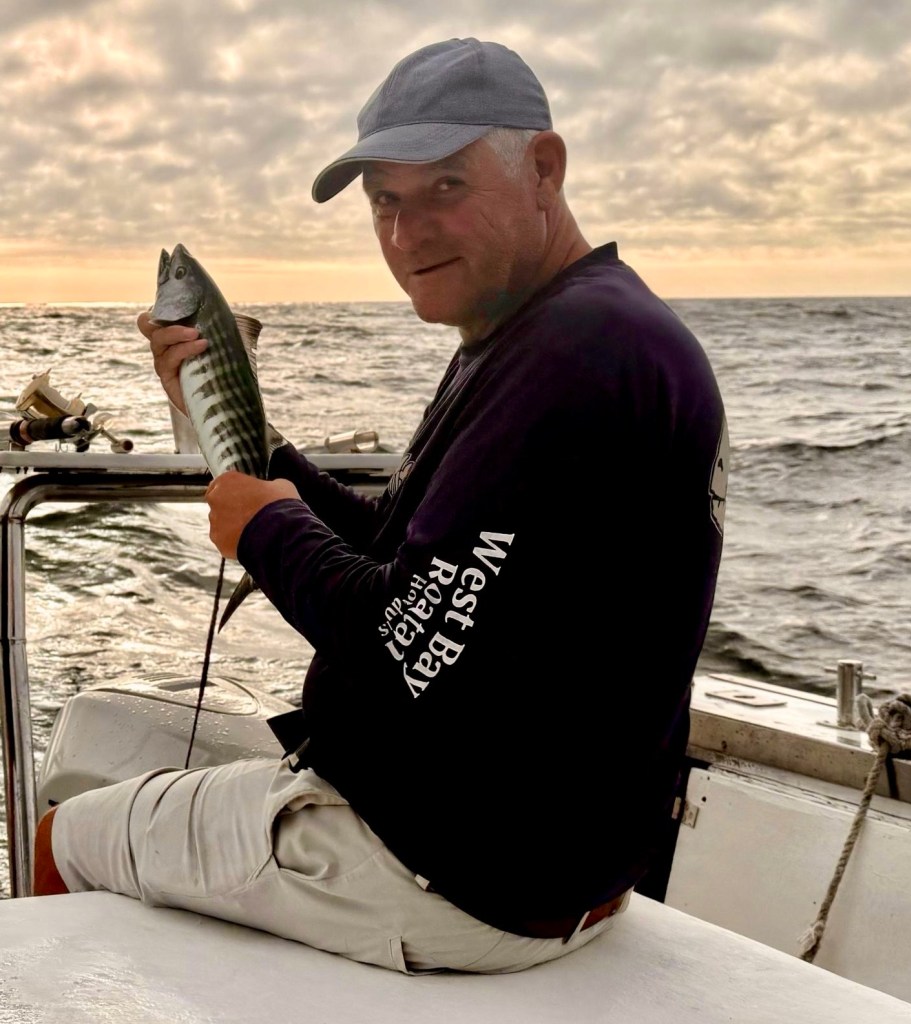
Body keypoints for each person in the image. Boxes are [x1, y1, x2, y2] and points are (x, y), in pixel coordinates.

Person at [33, 37, 728, 975]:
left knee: (63, 836)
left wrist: (263, 528)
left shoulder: (577, 351)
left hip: (448, 871)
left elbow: (404, 640)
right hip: (555, 866)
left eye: (445, 186)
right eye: (384, 202)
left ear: (545, 168)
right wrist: (240, 435)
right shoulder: (562, 328)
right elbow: (409, 558)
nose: (406, 235)